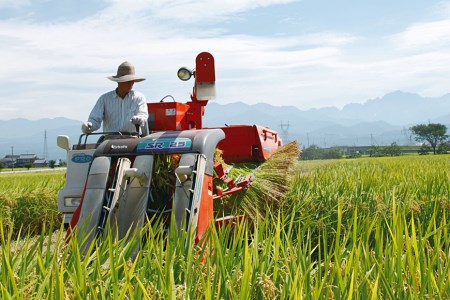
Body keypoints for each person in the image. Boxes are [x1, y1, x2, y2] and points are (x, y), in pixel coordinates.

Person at [82, 61, 149, 135]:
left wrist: (140, 119)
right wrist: (89, 126)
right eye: (127, 81)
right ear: (119, 82)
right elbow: (95, 120)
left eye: (132, 81)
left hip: (132, 139)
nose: (131, 84)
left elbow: (143, 115)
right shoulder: (104, 99)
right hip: (110, 139)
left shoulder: (139, 97)